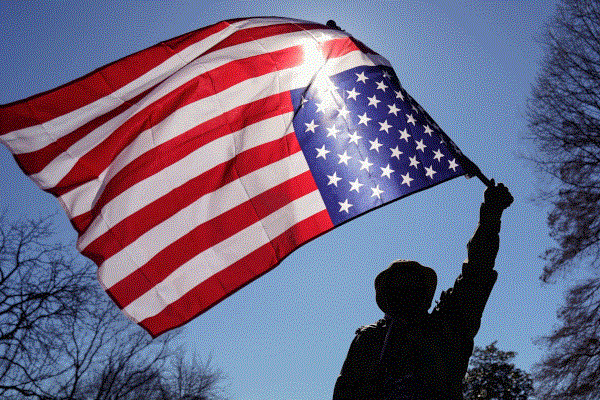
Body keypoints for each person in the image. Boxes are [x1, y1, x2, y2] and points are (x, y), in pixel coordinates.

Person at [332, 181, 514, 400]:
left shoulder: (448, 325)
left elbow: (477, 272)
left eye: (412, 285)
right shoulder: (369, 339)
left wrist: (490, 215)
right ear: (387, 295)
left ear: (424, 294)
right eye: (398, 287)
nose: (405, 291)